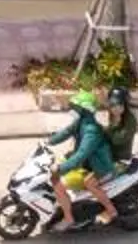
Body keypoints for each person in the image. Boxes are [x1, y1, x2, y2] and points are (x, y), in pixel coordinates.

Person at [42, 90, 118, 232]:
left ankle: (108, 211)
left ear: (85, 109)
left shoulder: (91, 131)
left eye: (76, 107)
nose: (73, 108)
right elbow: (65, 132)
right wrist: (48, 142)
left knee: (64, 183)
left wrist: (61, 168)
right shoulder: (81, 122)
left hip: (101, 168)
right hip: (89, 164)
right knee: (58, 168)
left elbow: (81, 155)